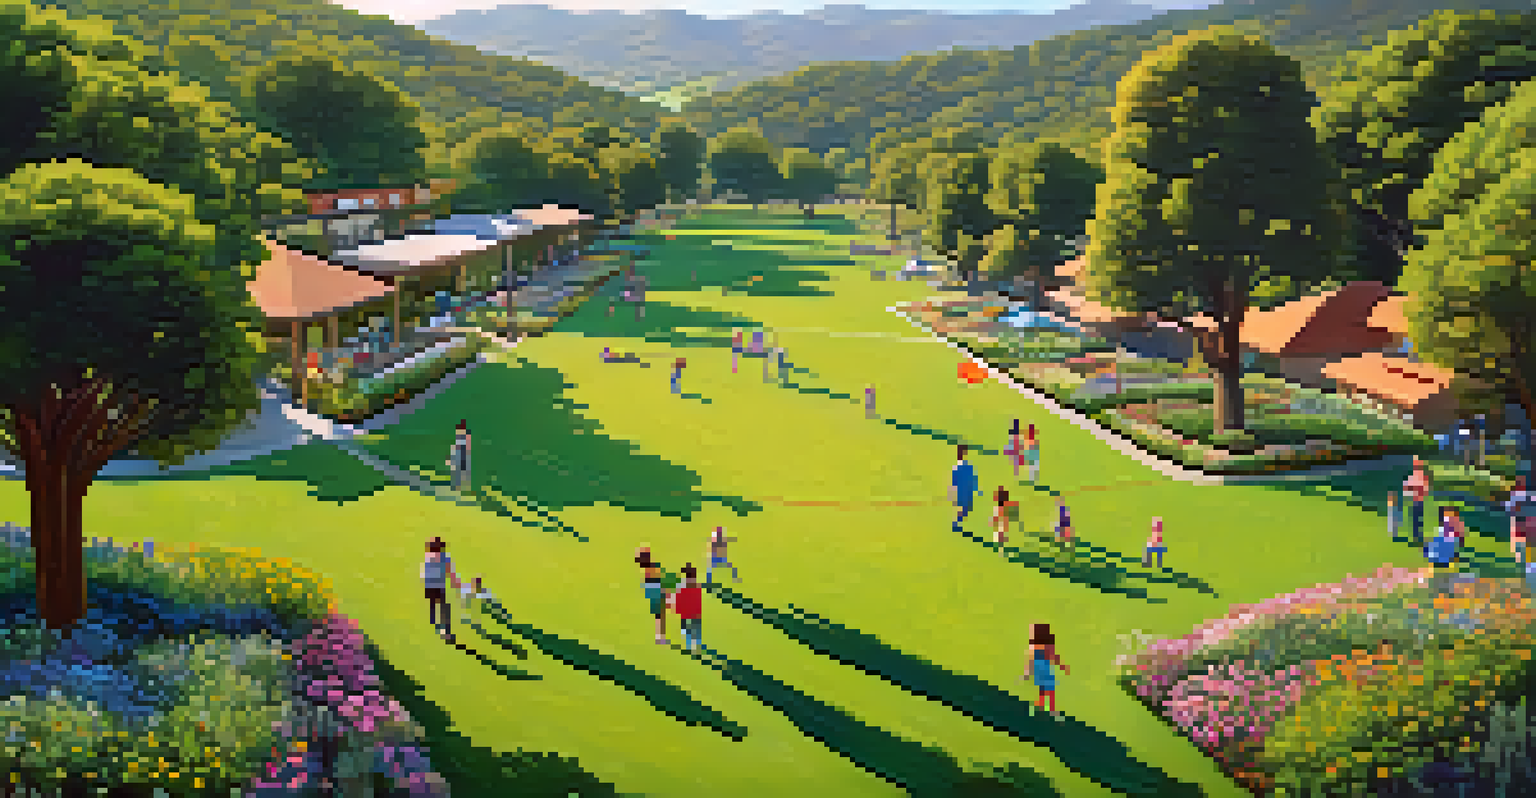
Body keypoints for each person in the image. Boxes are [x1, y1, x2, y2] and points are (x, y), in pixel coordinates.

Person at [1020, 623, 1069, 718]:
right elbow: (1054, 656)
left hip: (1038, 669)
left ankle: (1040, 707)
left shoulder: (1033, 646)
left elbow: (1030, 659)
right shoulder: (1047, 646)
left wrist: (1027, 672)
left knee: (1042, 690)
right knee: (1050, 690)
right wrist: (1062, 666)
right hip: (1046, 669)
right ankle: (1051, 709)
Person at [421, 537, 463, 642]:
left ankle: (433, 620)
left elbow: (424, 572)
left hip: (430, 585)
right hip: (439, 586)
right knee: (444, 607)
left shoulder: (428, 557)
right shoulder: (444, 558)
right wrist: (456, 583)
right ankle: (445, 630)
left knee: (433, 604)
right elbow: (450, 572)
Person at [668, 564, 704, 652]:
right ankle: (695, 645)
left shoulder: (682, 586)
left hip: (687, 614)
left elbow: (678, 597)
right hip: (695, 613)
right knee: (694, 631)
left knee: (687, 631)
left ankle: (691, 646)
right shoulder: (697, 586)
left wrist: (673, 603)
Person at [637, 547, 670, 645]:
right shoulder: (652, 568)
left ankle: (660, 635)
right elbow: (659, 580)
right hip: (657, 593)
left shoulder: (648, 568)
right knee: (660, 615)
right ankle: (660, 636)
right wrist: (664, 592)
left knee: (659, 615)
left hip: (654, 592)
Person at [950, 445, 980, 533]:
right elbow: (956, 479)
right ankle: (957, 522)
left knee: (966, 508)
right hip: (963, 489)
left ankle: (957, 522)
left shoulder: (963, 466)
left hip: (964, 488)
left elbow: (971, 478)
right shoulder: (963, 466)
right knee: (965, 507)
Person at [1403, 458, 1432, 545]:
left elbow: (1425, 488)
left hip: (1419, 499)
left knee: (1418, 518)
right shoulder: (1414, 476)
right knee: (1416, 518)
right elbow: (1407, 486)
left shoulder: (1421, 476)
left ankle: (1418, 536)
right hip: (1416, 499)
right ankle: (1417, 536)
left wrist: (1419, 489)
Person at [992, 487, 1019, 556]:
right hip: (1001, 522)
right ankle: (1001, 550)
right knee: (1001, 535)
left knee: (1000, 535)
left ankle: (1000, 549)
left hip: (1001, 522)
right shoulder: (1001, 508)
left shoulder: (999, 508)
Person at [446, 420, 472, 493]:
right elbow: (455, 449)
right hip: (460, 458)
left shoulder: (466, 439)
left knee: (463, 473)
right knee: (458, 473)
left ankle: (462, 487)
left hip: (463, 458)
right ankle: (457, 487)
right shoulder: (460, 439)